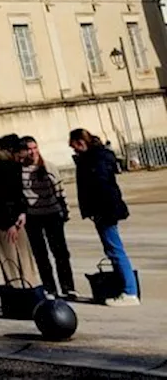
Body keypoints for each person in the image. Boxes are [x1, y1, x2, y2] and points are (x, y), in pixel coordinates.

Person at [70, 128, 139, 307]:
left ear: (80, 142)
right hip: (105, 209)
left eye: (75, 147)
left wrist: (98, 210)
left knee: (115, 249)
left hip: (105, 210)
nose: (74, 151)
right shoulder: (98, 157)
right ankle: (125, 288)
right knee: (113, 249)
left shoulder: (95, 159)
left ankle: (130, 291)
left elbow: (100, 186)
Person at [18, 136, 74, 299]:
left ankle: (68, 286)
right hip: (33, 216)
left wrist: (65, 210)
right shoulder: (19, 170)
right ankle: (50, 288)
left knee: (60, 252)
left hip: (52, 214)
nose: (33, 152)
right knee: (41, 255)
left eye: (35, 148)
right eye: (29, 149)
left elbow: (60, 190)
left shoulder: (48, 166)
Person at [0, 134, 40, 288]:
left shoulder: (13, 164)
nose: (22, 160)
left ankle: (30, 285)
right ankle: (17, 290)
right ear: (12, 151)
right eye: (20, 157)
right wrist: (9, 223)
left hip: (14, 216)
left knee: (24, 253)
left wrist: (22, 212)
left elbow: (17, 193)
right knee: (10, 257)